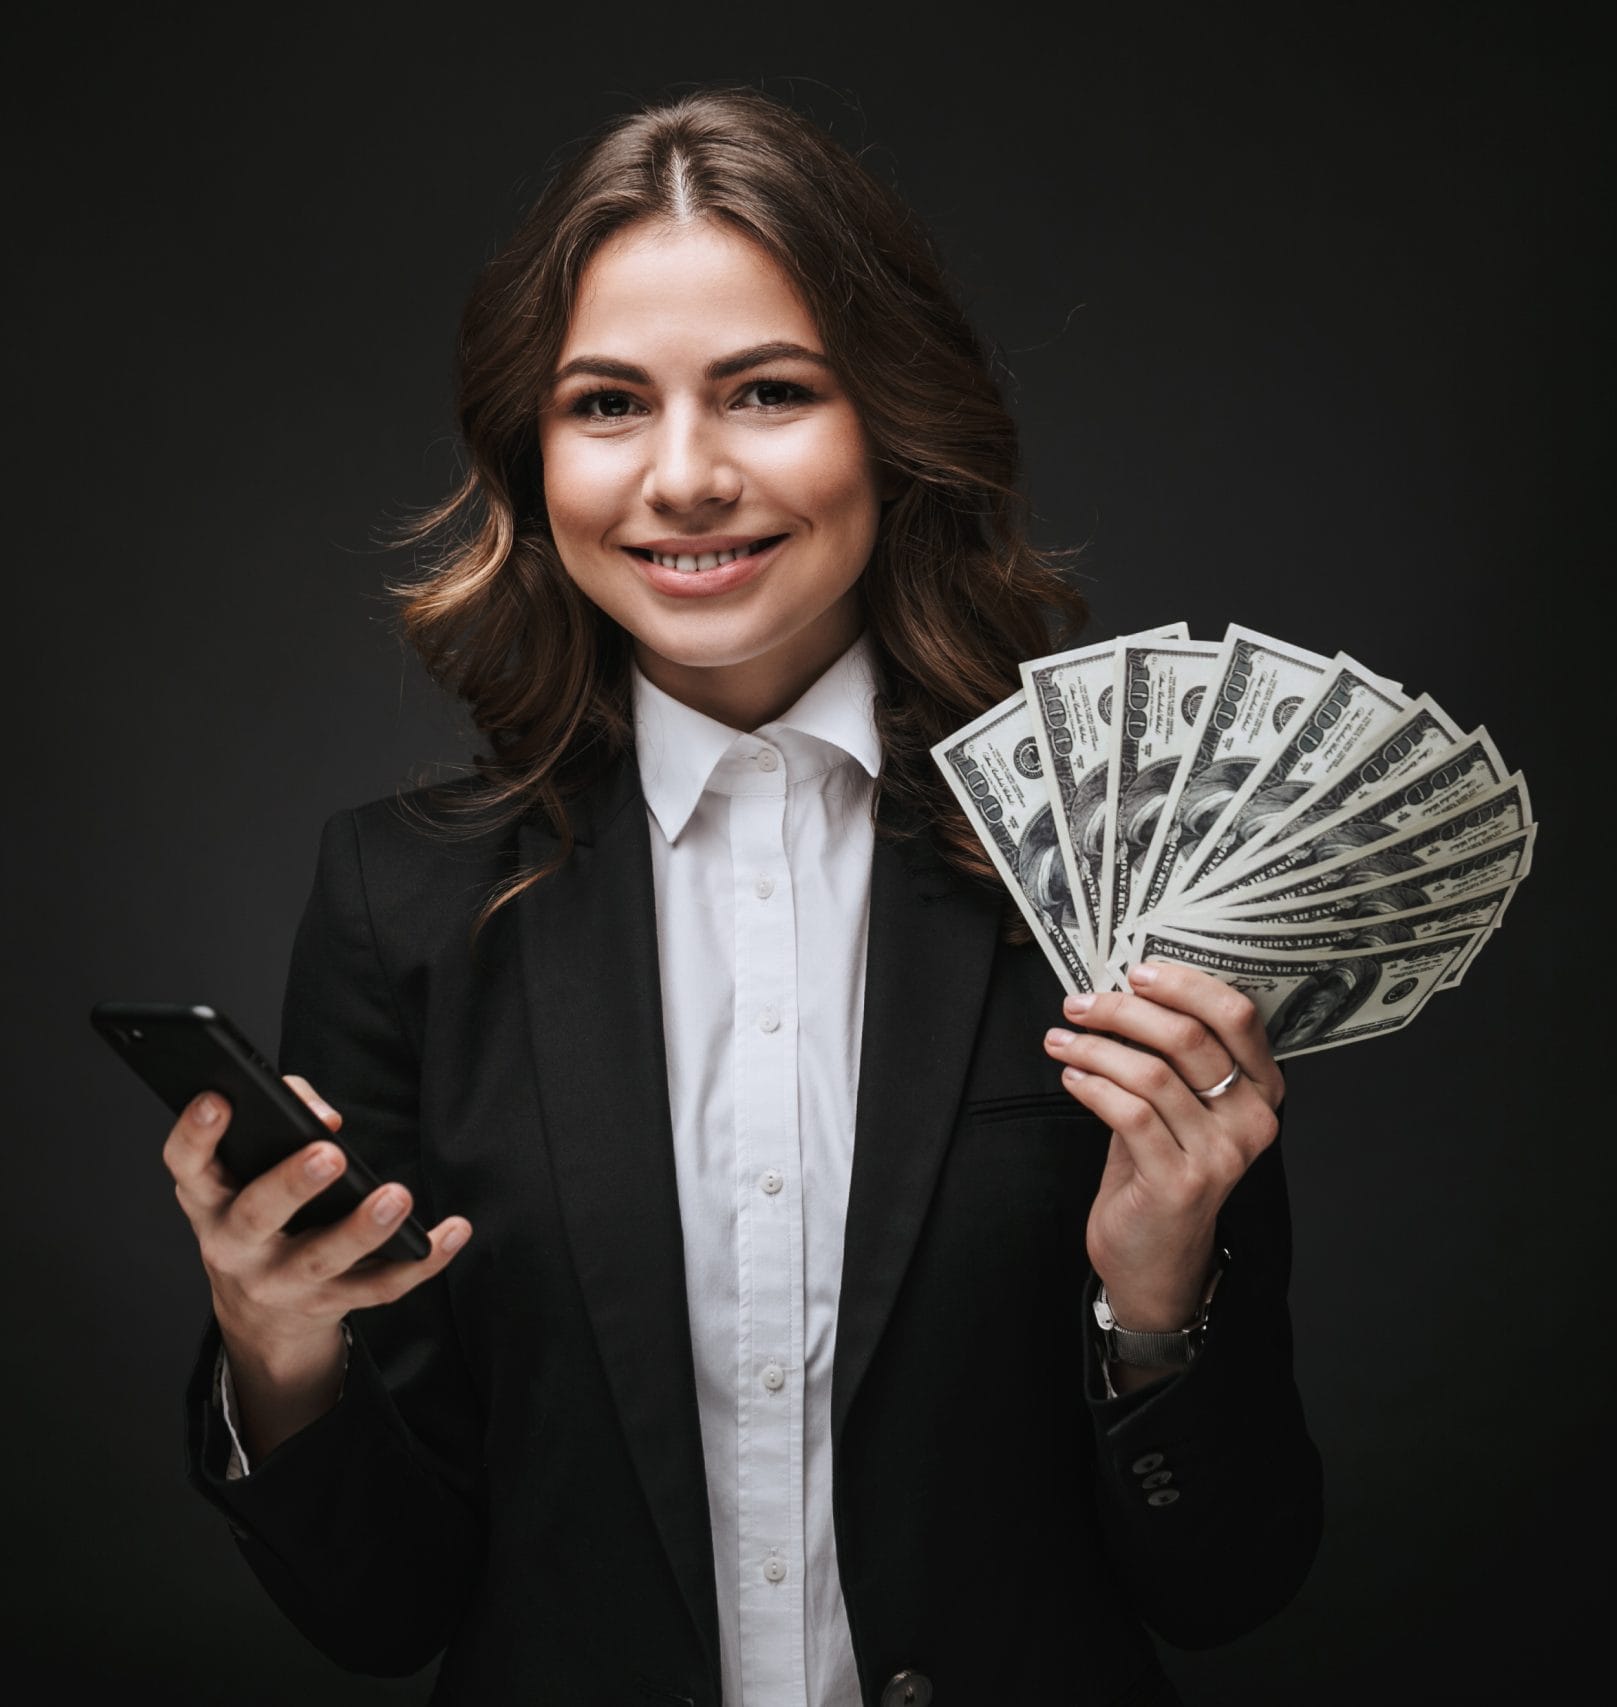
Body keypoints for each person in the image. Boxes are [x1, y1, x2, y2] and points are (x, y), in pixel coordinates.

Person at [158, 88, 1320, 1705]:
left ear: (894, 423)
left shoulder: (1114, 878)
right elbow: (386, 1614)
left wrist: (1156, 1303)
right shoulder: (397, 903)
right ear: (534, 456)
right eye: (609, 404)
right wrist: (276, 1349)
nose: (686, 477)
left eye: (768, 391)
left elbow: (1231, 1580)